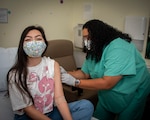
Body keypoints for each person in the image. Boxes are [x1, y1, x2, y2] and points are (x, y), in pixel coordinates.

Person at [61, 19, 150, 120]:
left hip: (133, 90)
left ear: (100, 35)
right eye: (85, 38)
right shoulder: (95, 50)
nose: (86, 41)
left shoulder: (119, 48)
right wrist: (64, 74)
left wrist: (75, 82)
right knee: (99, 116)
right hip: (108, 93)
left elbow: (108, 83)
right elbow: (84, 73)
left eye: (89, 37)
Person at [7, 25, 94, 120]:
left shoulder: (52, 65)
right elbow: (28, 109)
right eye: (28, 40)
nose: (34, 43)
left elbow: (59, 98)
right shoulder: (15, 75)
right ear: (22, 45)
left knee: (86, 106)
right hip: (28, 117)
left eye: (38, 39)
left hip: (50, 112)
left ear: (44, 43)